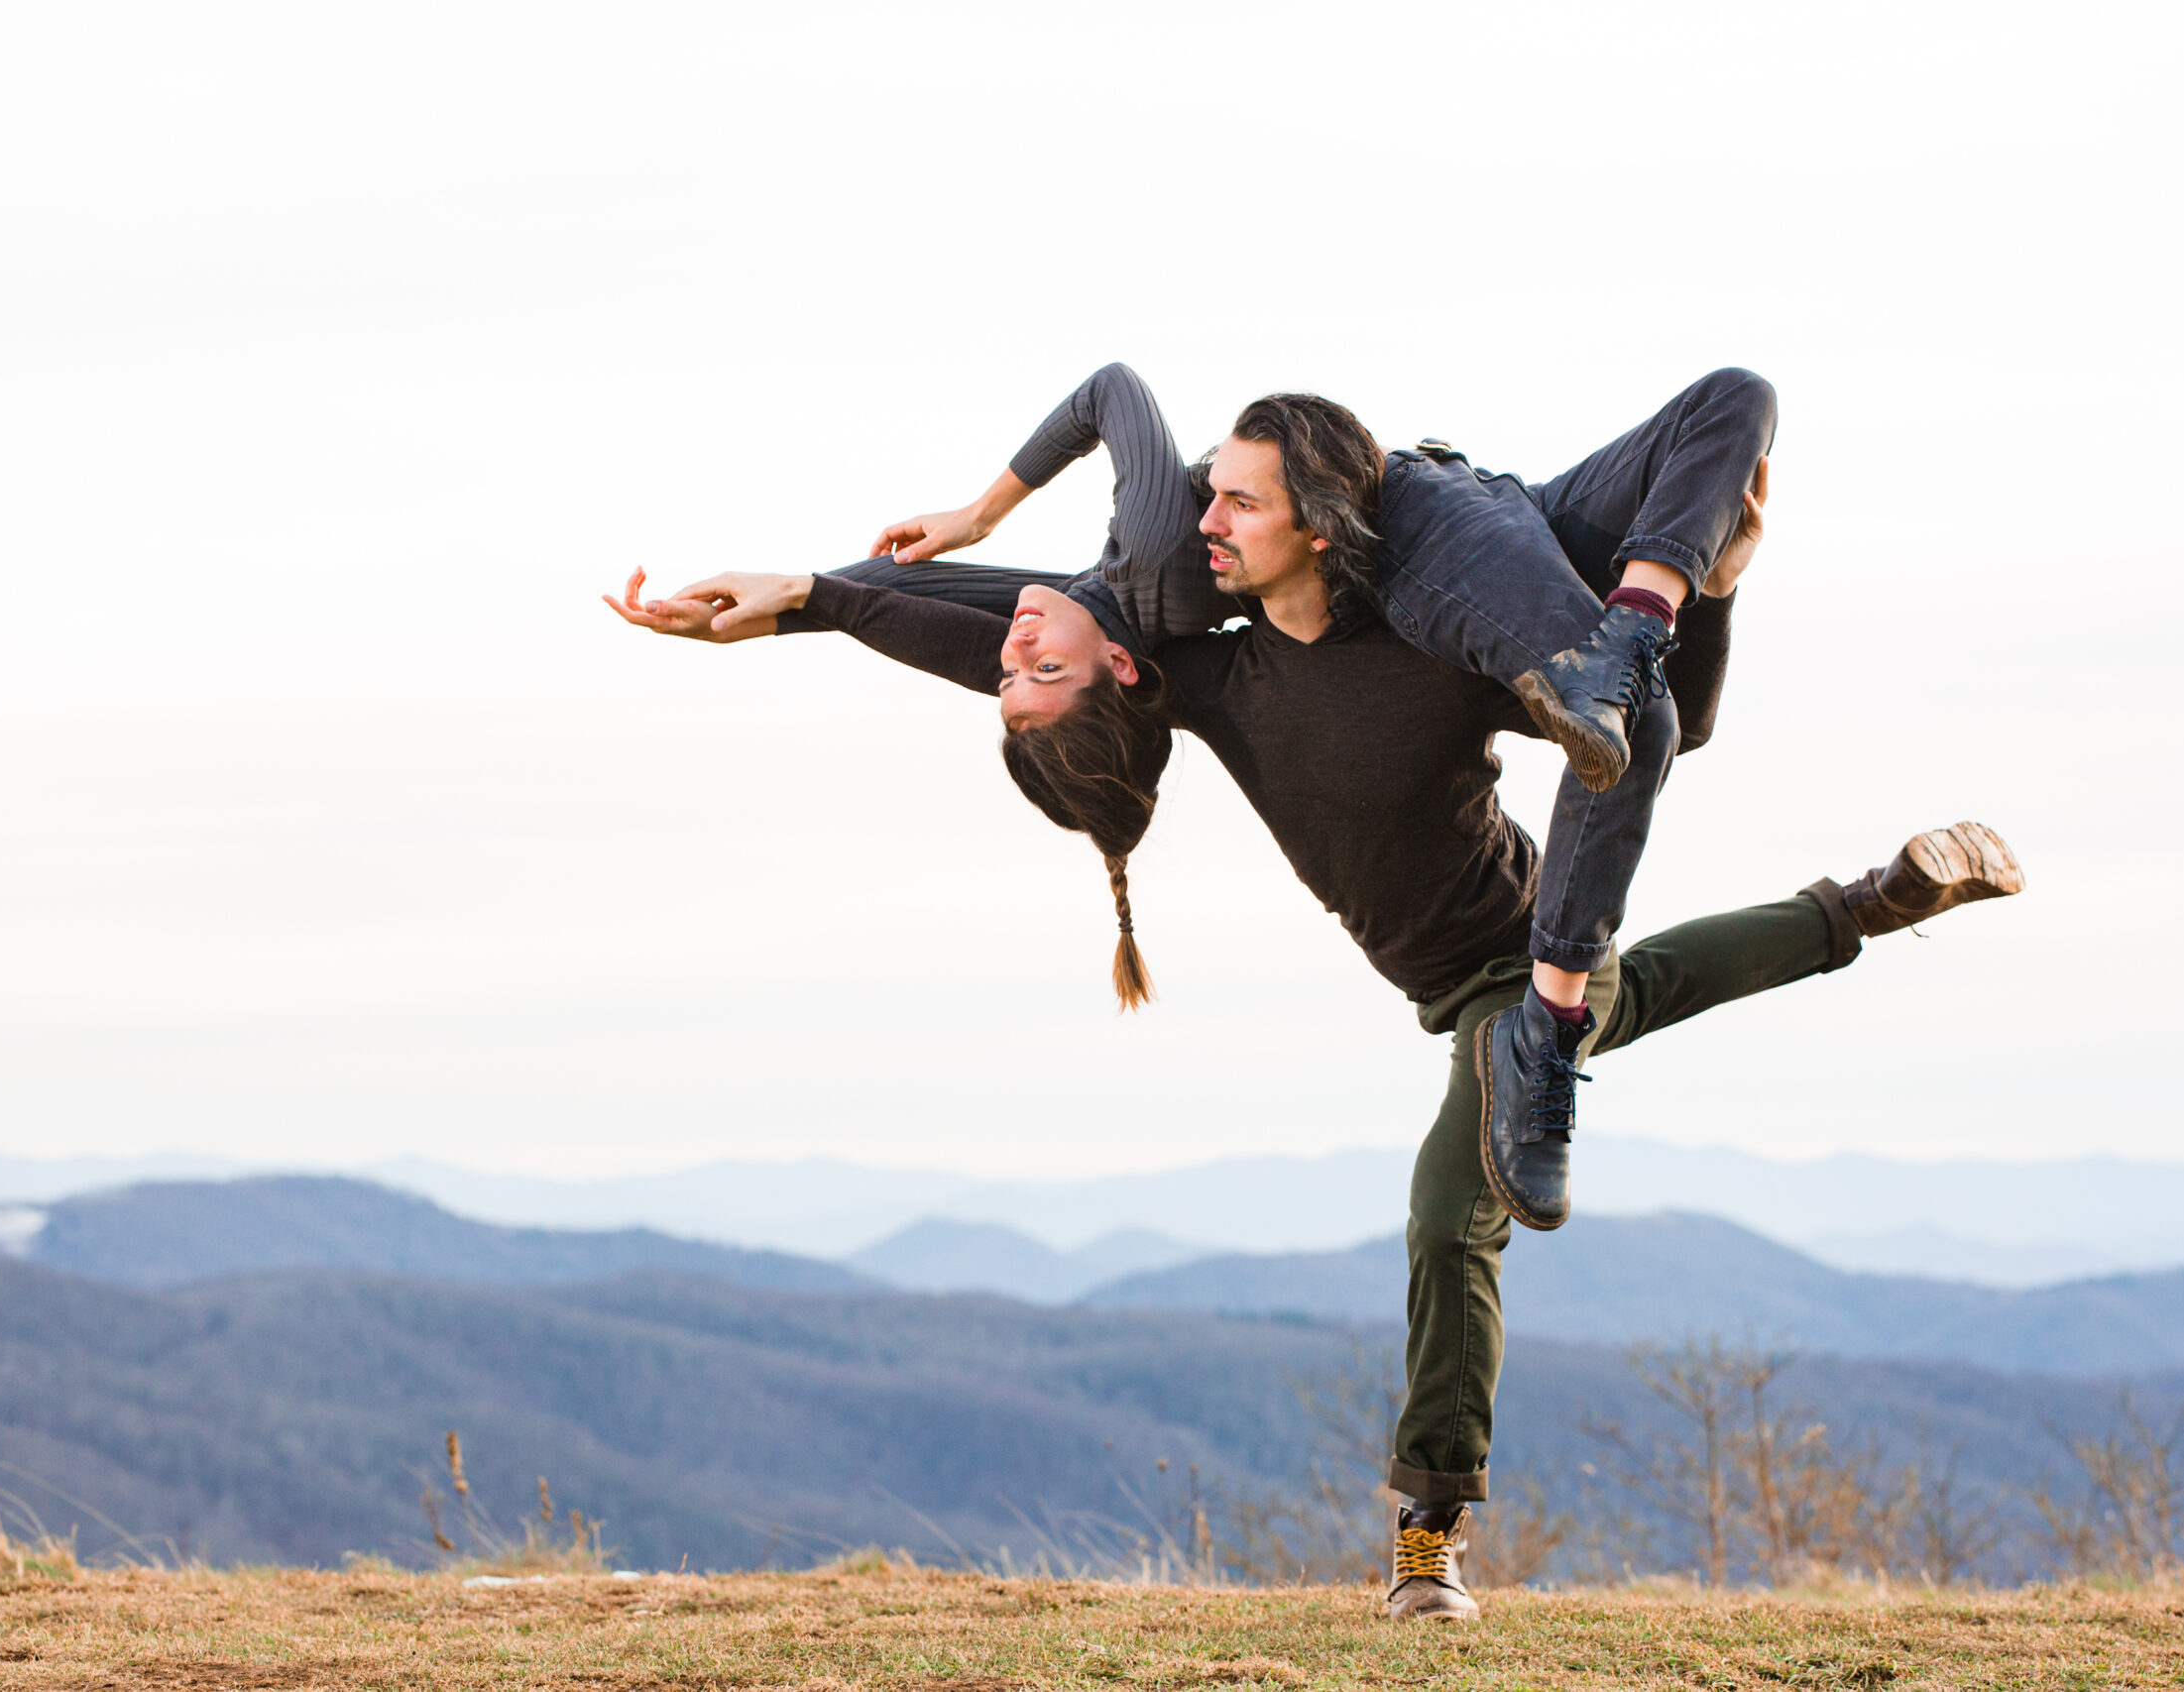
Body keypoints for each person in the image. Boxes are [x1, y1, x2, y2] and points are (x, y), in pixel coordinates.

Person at [606, 434, 2024, 1620]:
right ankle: (1874, 898)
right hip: (1518, 960)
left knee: (1449, 1209)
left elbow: (1659, 722)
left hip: (1507, 969)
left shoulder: (1425, 632)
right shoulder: (1215, 676)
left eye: (1244, 504)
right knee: (1621, 997)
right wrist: (806, 597)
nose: (1034, 656)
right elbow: (1012, 617)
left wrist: (1702, 593)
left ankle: (1428, 1536)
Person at [609, 364, 1778, 1228]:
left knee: (1727, 426)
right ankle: (1653, 643)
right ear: (1119, 675)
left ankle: (1630, 664)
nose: (1011, 647)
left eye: (1018, 670)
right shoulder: (1160, 603)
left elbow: (964, 606)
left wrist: (814, 591)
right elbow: (989, 625)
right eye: (1036, 672)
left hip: (1446, 506)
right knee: (1657, 710)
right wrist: (818, 595)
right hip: (1439, 536)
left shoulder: (1133, 582)